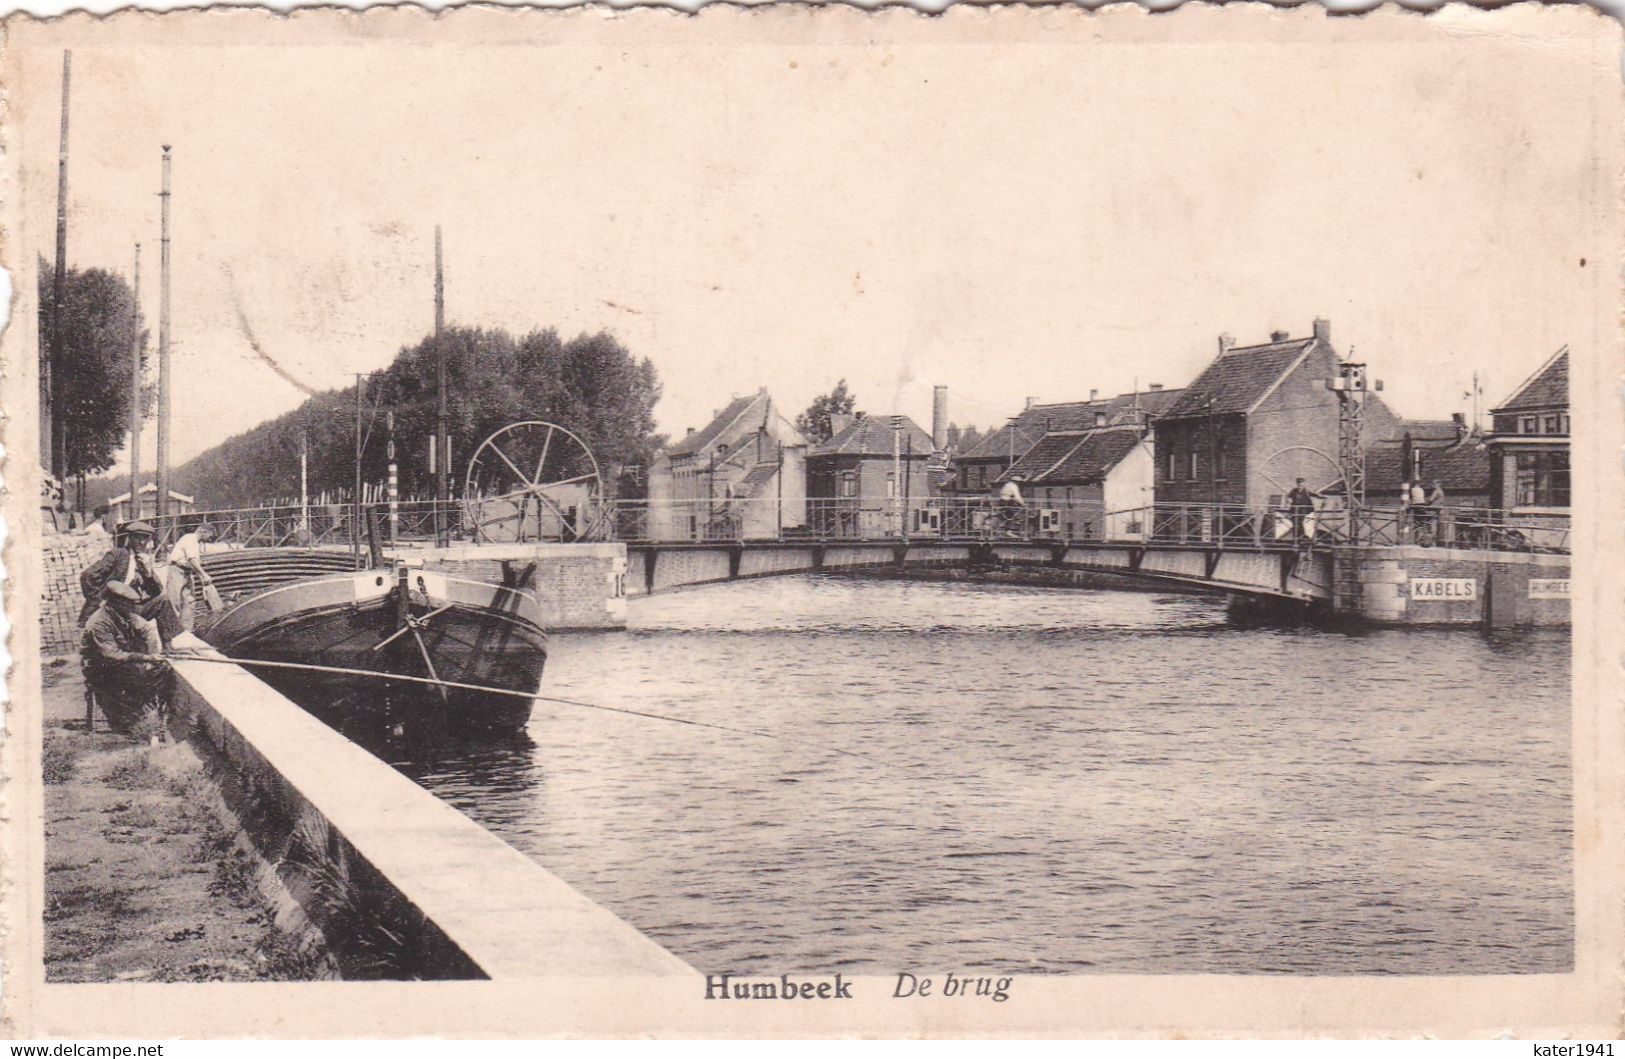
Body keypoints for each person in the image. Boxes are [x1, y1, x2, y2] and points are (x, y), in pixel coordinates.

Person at [81, 580, 174, 734]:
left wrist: (152, 655)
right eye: (129, 603)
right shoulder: (99, 622)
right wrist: (145, 659)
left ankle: (143, 707)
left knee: (160, 670)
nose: (133, 607)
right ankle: (135, 716)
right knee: (139, 675)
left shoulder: (124, 614)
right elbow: (112, 655)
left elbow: (147, 630)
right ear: (115, 602)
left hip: (117, 663)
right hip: (99, 668)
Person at [78, 521, 181, 643]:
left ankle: (167, 645)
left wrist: (148, 573)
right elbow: (87, 575)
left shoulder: (143, 560)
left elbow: (156, 591)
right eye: (138, 537)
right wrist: (98, 599)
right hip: (111, 607)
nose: (142, 542)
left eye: (145, 538)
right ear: (130, 538)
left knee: (163, 600)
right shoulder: (118, 555)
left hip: (130, 608)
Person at [165, 522, 218, 632]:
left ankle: (187, 630)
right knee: (174, 602)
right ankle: (173, 632)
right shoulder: (190, 539)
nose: (209, 539)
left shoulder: (196, 543)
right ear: (204, 532)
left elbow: (193, 563)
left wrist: (201, 577)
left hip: (187, 572)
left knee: (189, 601)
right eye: (209, 536)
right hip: (176, 571)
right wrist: (204, 575)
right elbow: (192, 560)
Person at [1285, 478, 1320, 544]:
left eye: (1301, 484)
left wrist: (1322, 497)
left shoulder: (1306, 491)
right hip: (1295, 510)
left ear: (1303, 484)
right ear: (1297, 484)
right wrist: (1287, 502)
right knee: (1295, 523)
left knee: (1300, 522)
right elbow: (1287, 496)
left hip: (1304, 510)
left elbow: (1314, 494)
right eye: (1298, 484)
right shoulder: (1294, 491)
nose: (1300, 485)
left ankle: (1302, 537)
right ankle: (1298, 538)